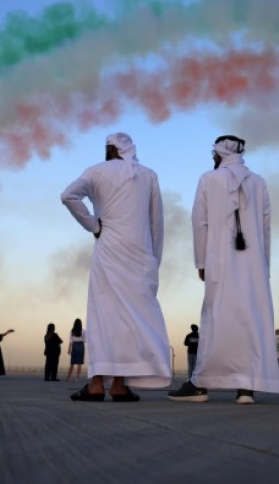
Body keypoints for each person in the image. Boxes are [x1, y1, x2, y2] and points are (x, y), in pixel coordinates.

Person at [168, 135, 279, 405]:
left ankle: (200, 385)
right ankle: (246, 388)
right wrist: (264, 265)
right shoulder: (259, 182)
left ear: (220, 153)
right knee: (250, 319)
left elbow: (200, 222)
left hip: (219, 260)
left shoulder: (209, 179)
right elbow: (265, 227)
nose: (212, 158)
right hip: (253, 264)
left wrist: (201, 262)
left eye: (213, 153)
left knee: (216, 318)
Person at [62, 132, 172, 402]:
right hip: (139, 254)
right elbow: (156, 222)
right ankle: (120, 385)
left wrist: (94, 225)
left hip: (109, 250)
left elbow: (68, 196)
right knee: (129, 320)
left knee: (103, 316)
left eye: (106, 147)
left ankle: (98, 384)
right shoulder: (148, 175)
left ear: (112, 149)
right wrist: (154, 259)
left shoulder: (97, 171)